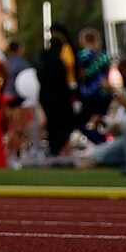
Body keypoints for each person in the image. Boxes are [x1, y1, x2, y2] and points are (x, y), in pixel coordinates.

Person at [37, 24, 79, 155]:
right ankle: (55, 149)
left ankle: (54, 148)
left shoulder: (43, 58)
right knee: (67, 123)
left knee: (53, 125)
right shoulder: (56, 61)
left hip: (47, 96)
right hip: (58, 97)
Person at [74, 28, 112, 137]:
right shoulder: (104, 55)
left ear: (83, 40)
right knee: (101, 121)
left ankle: (95, 140)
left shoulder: (83, 55)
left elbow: (80, 75)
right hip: (105, 93)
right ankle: (102, 141)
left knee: (80, 123)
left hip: (88, 94)